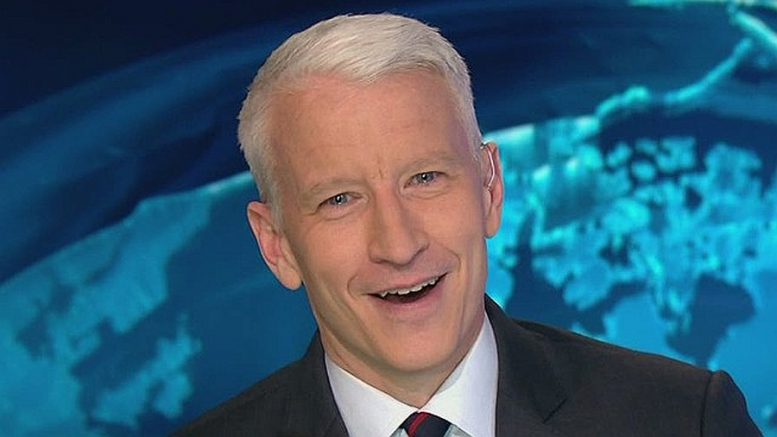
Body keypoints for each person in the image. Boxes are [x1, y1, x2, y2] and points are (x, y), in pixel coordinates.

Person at [178, 13, 761, 437]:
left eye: (425, 178)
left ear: (490, 188)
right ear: (277, 245)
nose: (398, 245)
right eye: (340, 200)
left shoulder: (685, 419)